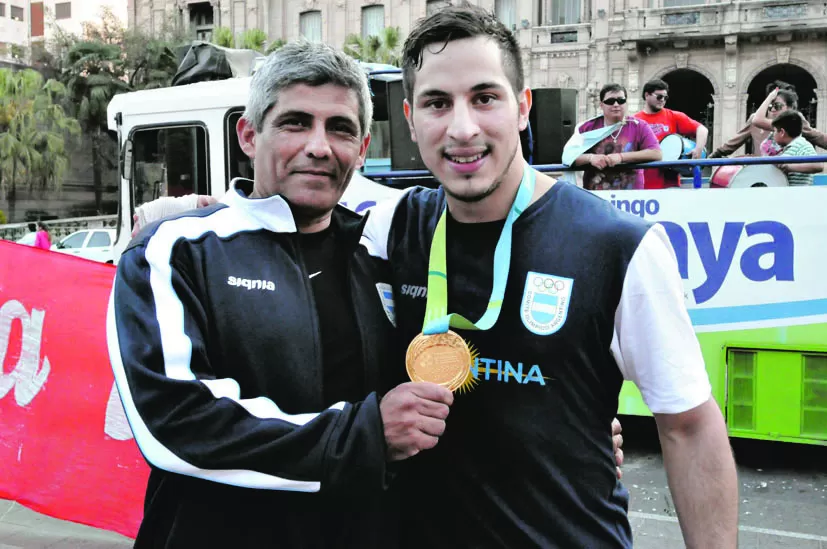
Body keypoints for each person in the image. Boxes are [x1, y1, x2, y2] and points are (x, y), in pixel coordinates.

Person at [361, 5, 737, 547]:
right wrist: (197, 209)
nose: (462, 128)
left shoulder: (618, 246)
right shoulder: (389, 227)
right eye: (437, 103)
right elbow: (278, 209)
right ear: (411, 118)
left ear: (522, 107)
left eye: (484, 97)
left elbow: (689, 428)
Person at [107, 41, 457, 548]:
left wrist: (573, 428)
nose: (319, 146)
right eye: (295, 122)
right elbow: (176, 419)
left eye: (340, 128)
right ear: (249, 135)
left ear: (360, 150)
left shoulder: (381, 252)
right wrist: (364, 437)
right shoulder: (174, 249)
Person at [571, 83, 662, 190]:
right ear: (601, 105)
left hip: (631, 199)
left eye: (621, 100)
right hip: (595, 196)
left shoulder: (639, 126)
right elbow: (569, 157)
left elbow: (656, 153)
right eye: (610, 101)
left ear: (625, 103)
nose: (616, 104)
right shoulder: (587, 127)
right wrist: (590, 158)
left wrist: (621, 157)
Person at [634, 79, 709, 189]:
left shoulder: (674, 116)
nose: (663, 100)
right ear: (647, 95)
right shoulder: (634, 121)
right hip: (643, 184)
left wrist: (698, 150)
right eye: (659, 97)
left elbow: (702, 129)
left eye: (665, 97)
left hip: (670, 184)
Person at [710, 81, 797, 158]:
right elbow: (735, 141)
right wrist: (715, 155)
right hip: (760, 169)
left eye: (778, 106)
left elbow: (810, 135)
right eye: (771, 105)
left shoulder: (794, 120)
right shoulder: (754, 119)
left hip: (786, 169)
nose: (774, 109)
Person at [771, 110, 823, 185]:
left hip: (799, 194)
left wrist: (789, 167)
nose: (773, 135)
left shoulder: (802, 145)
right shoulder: (788, 148)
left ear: (782, 132)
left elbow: (818, 166)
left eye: (774, 131)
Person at [750, 87, 800, 156]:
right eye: (770, 106)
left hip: (785, 165)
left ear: (789, 107)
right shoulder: (775, 125)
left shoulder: (789, 123)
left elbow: (756, 120)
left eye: (777, 106)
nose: (773, 109)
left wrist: (770, 97)